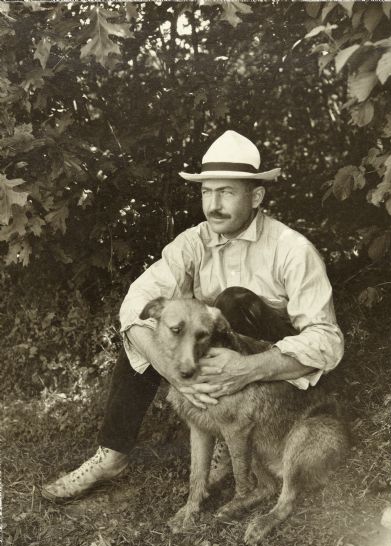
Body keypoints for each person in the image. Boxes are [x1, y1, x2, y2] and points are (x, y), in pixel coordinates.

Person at [42, 130, 344, 501]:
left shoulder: (292, 249)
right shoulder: (192, 243)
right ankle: (112, 454)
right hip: (207, 356)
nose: (213, 204)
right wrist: (172, 371)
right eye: (207, 192)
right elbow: (134, 304)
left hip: (266, 366)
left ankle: (226, 434)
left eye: (227, 192)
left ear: (257, 196)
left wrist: (247, 368)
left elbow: (327, 339)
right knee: (146, 330)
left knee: (230, 303)